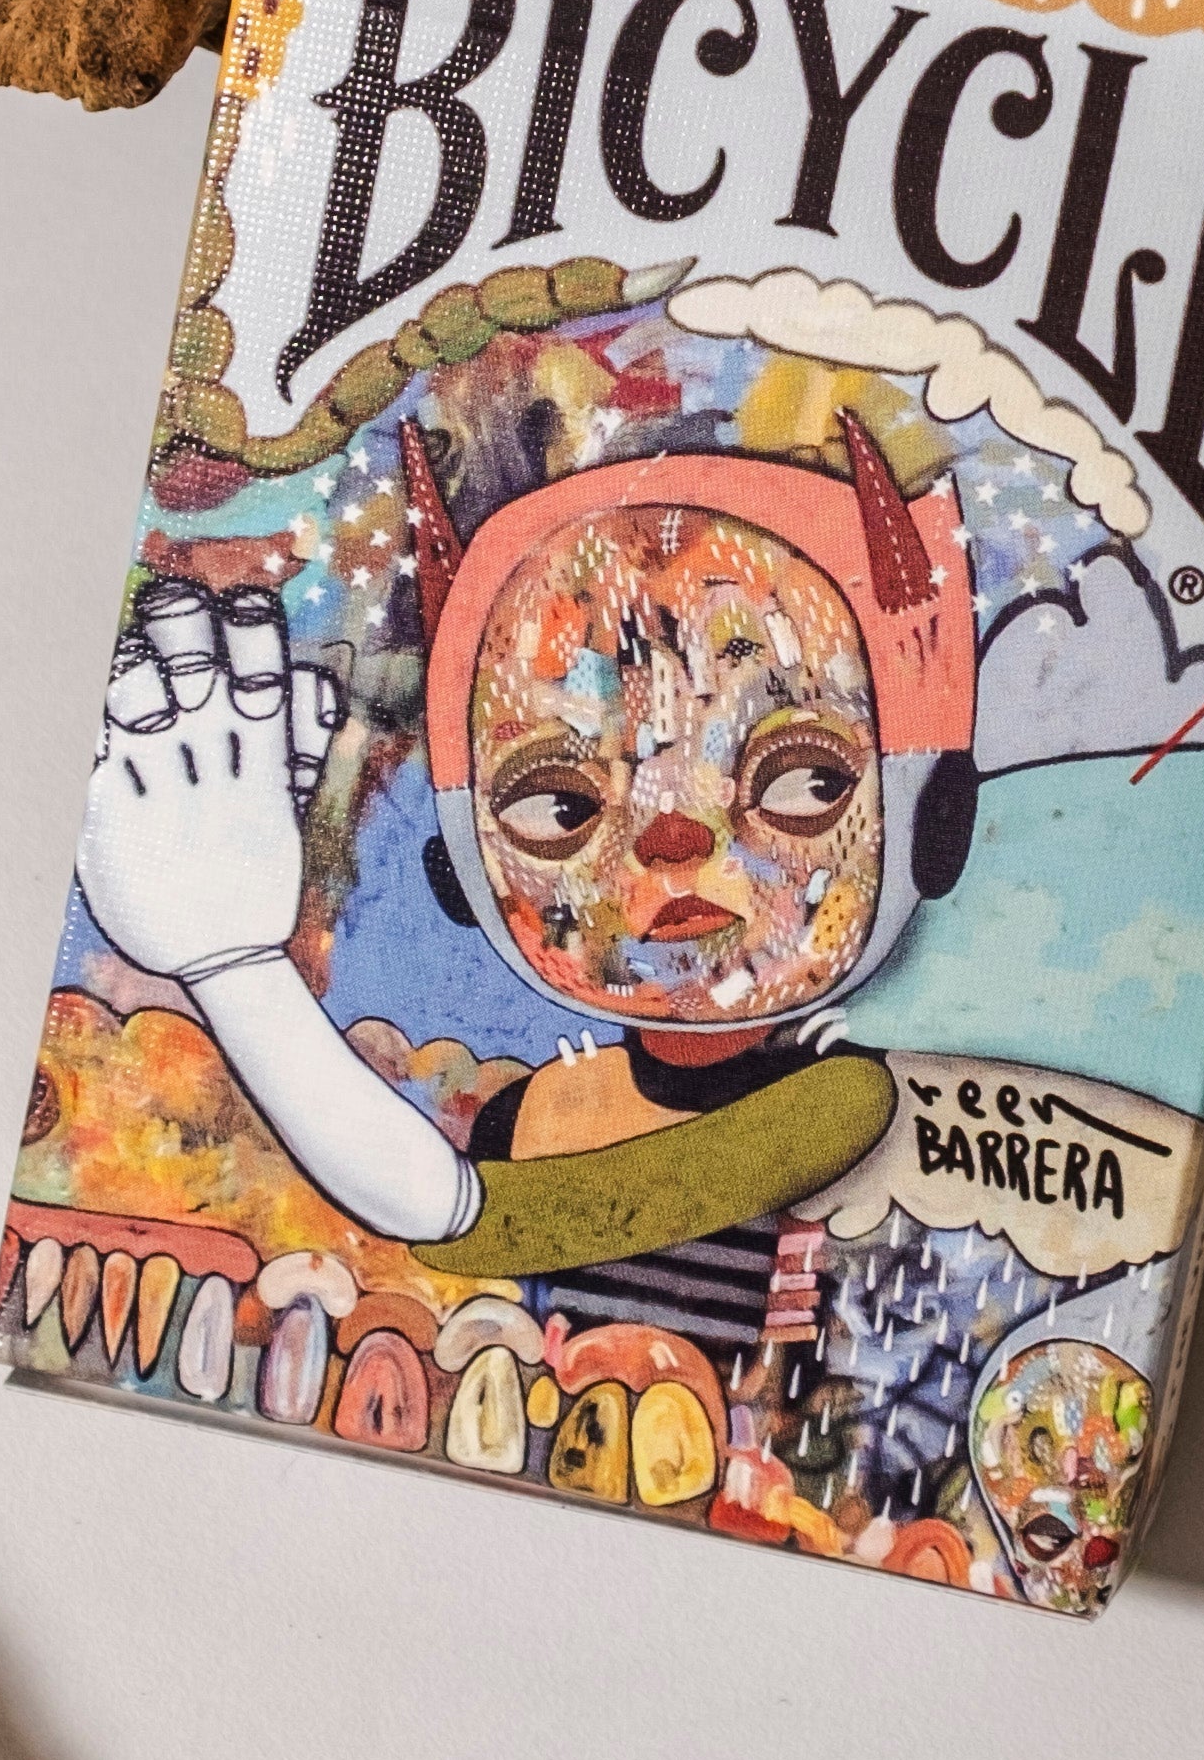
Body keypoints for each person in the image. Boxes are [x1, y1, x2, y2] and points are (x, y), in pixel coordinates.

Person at [74, 415, 985, 1279]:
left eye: (802, 782)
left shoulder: (837, 1098)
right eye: (559, 804)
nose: (673, 846)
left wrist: (237, 974)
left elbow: (472, 1221)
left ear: (933, 823)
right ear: (460, 869)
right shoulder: (525, 1117)